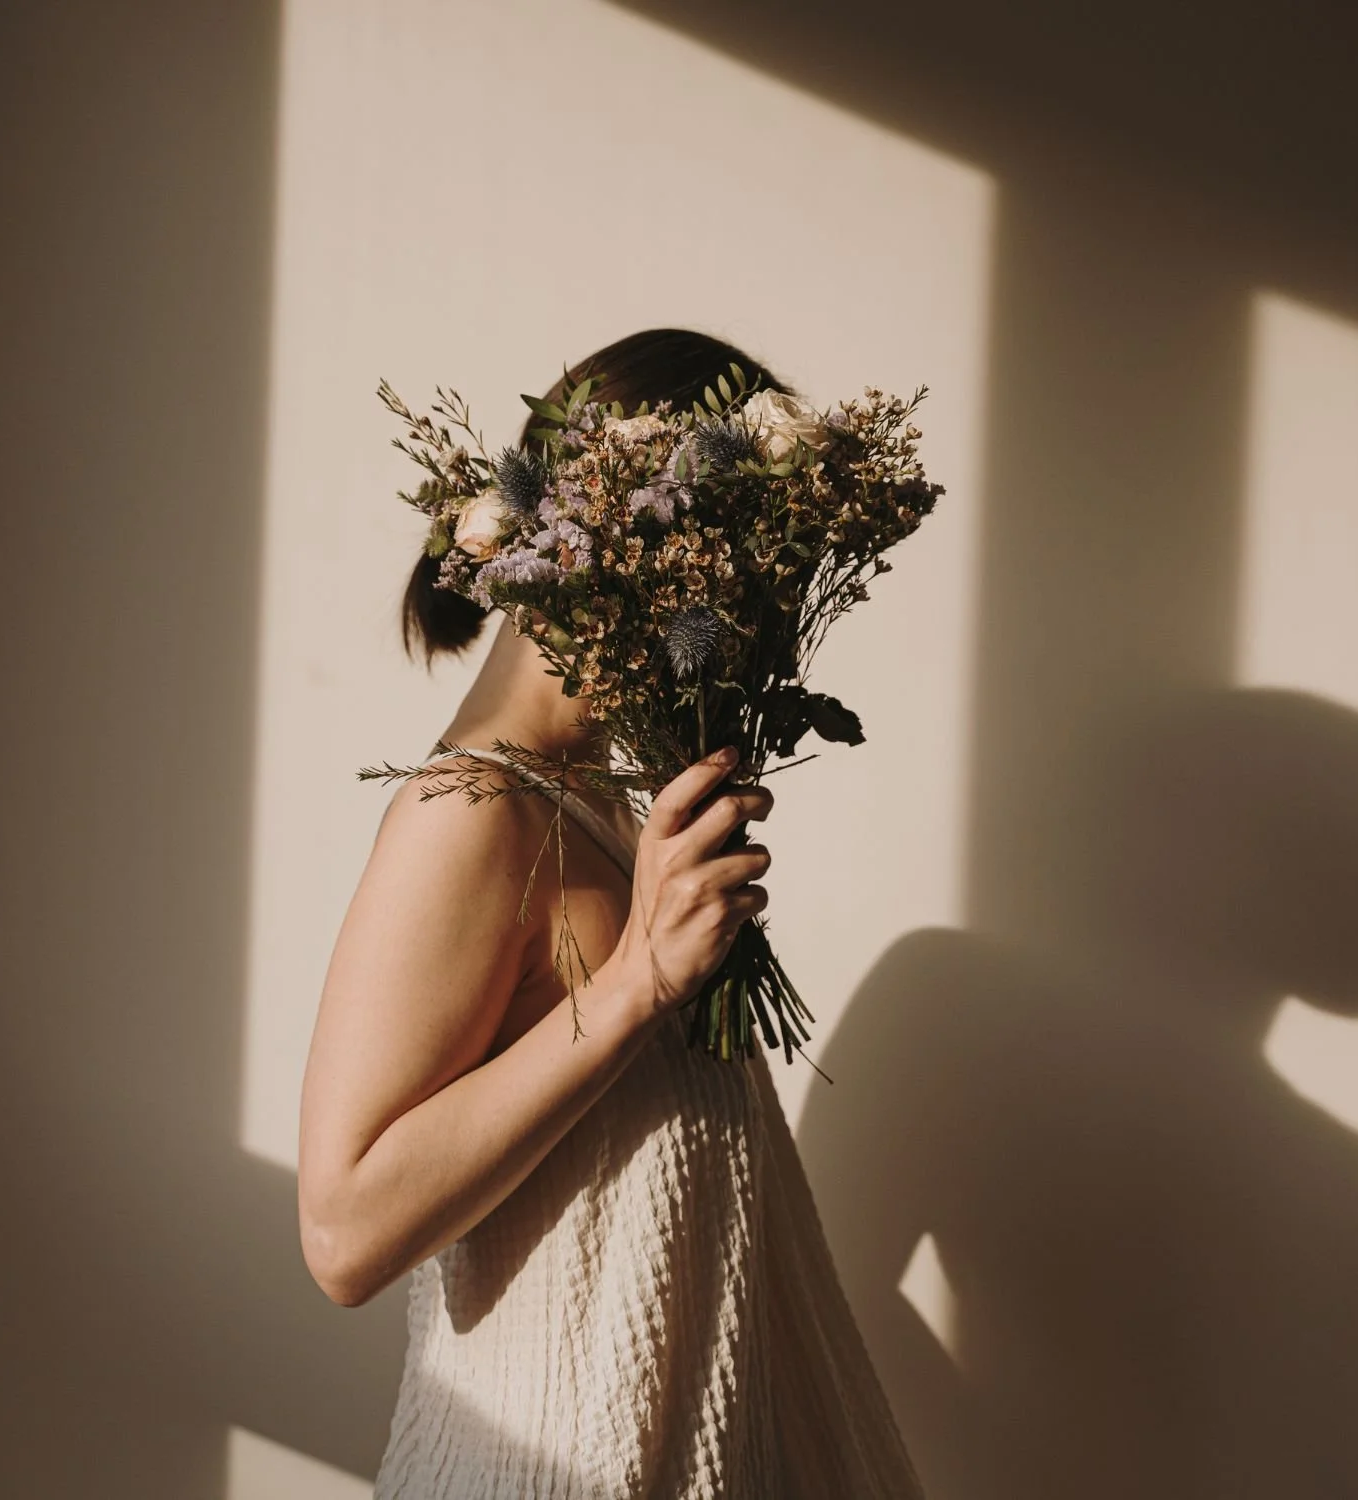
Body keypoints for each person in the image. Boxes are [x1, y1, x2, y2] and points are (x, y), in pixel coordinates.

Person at [297, 329, 926, 1498]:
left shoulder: (610, 805)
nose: (762, 613)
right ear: (633, 541)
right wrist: (640, 977)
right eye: (747, 564)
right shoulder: (465, 812)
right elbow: (341, 1233)